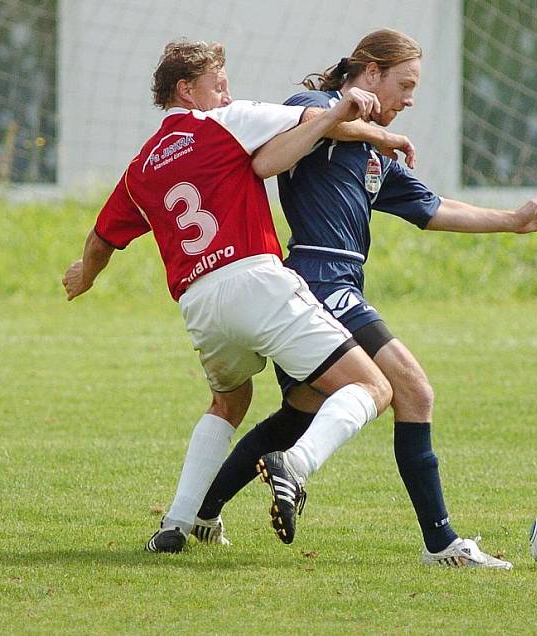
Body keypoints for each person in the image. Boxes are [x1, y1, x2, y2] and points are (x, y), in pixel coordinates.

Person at [195, 29, 537, 569]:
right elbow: (298, 133)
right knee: (414, 392)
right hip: (320, 278)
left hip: (329, 282)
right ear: (370, 72)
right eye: (405, 84)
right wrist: (369, 130)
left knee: (299, 412)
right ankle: (442, 544)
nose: (409, 100)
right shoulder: (315, 109)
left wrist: (513, 221)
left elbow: (433, 208)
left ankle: (202, 513)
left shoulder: (371, 154)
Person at [60, 38, 435, 553]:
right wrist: (374, 130)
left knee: (229, 400)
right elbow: (305, 122)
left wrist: (86, 276)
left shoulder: (141, 165)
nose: (227, 92)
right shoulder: (225, 120)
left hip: (197, 303)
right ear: (187, 90)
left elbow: (103, 239)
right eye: (218, 84)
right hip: (256, 281)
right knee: (373, 387)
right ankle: (294, 466)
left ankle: (177, 522)